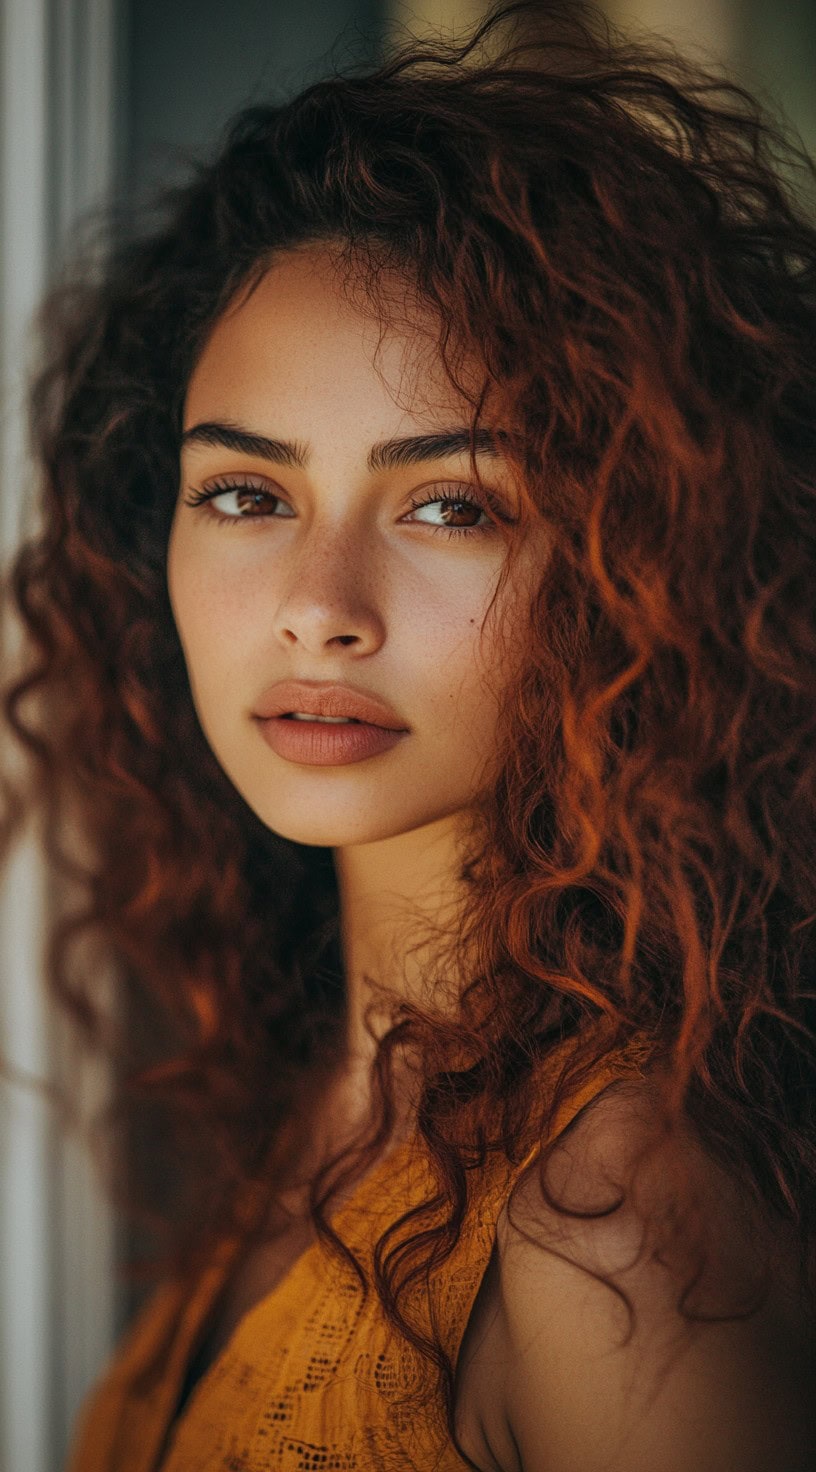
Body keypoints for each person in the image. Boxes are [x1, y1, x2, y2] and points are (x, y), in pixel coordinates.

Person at [1, 1, 814, 1467]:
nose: (319, 608)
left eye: (454, 506)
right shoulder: (313, 1092)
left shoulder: (617, 1217)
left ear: (641, 568)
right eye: (246, 495)